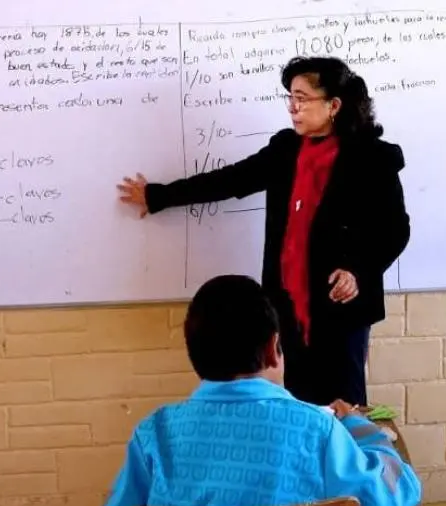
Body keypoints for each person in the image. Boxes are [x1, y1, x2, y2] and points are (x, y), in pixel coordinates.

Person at [60, 275, 421, 506]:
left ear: (195, 357)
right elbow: (392, 498)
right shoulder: (319, 430)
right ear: (273, 348)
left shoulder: (156, 434)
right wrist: (360, 426)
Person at [117, 56, 410, 408]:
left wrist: (358, 271)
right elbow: (230, 180)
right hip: (285, 307)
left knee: (343, 411)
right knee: (294, 406)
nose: (292, 107)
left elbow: (395, 229)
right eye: (290, 97)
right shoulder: (286, 149)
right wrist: (159, 195)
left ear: (334, 105)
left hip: (340, 310)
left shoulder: (372, 157)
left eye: (302, 98)